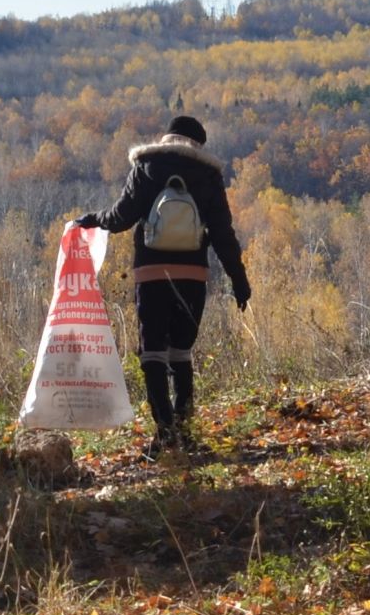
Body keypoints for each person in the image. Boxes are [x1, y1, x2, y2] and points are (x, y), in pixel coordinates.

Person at [74, 114, 251, 456]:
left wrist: (93, 220)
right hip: (192, 275)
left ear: (167, 137)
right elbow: (223, 234)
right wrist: (238, 280)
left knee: (152, 352)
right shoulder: (208, 174)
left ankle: (165, 432)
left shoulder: (147, 165)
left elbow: (122, 216)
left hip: (151, 272)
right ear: (198, 144)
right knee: (181, 352)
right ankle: (184, 432)